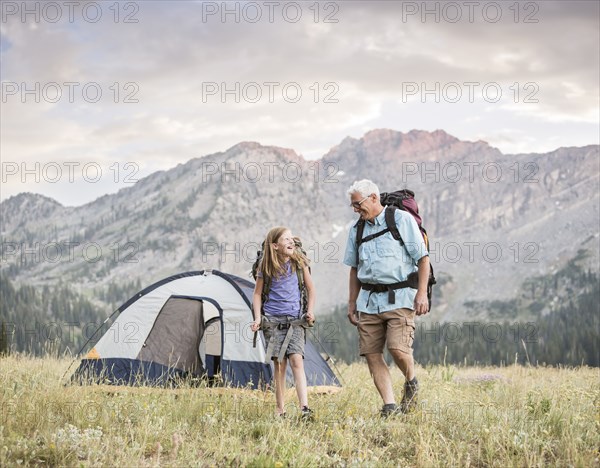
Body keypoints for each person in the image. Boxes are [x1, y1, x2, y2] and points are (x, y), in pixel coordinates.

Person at [343, 179, 430, 417]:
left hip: (400, 297)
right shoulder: (356, 230)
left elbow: (423, 258)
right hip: (369, 301)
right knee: (371, 353)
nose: (355, 209)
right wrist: (352, 303)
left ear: (373, 198)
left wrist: (421, 294)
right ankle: (390, 406)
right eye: (352, 205)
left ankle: (411, 380)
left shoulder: (400, 220)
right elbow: (354, 269)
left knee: (397, 348)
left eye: (357, 204)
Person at [251, 226, 316, 419]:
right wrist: (257, 318)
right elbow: (256, 294)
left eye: (291, 239)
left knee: (297, 360)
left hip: (296, 320)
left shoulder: (299, 263)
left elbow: (311, 289)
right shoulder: (266, 267)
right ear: (274, 246)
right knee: (280, 365)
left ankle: (304, 407)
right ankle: (280, 409)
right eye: (285, 239)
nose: (291, 242)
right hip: (272, 321)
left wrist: (310, 311)